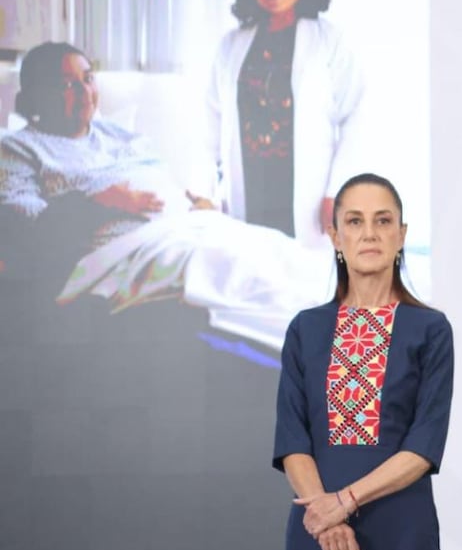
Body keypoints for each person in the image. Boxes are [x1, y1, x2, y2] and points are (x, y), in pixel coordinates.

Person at [0, 41, 331, 342]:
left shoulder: (117, 134)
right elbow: (24, 223)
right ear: (37, 95)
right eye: (67, 85)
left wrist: (192, 201)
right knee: (229, 268)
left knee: (274, 250)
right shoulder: (18, 148)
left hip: (184, 227)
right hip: (126, 251)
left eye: (88, 79)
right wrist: (99, 204)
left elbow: (159, 179)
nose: (85, 93)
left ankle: (351, 330)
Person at [273, 173, 453, 550]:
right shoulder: (305, 329)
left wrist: (346, 501)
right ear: (336, 237)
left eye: (383, 221)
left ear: (401, 235)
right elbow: (293, 441)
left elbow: (423, 446)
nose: (369, 233)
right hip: (317, 529)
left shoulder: (431, 329)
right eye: (355, 221)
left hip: (401, 529)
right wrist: (329, 516)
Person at [204, 0, 364, 252]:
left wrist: (338, 191)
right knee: (250, 275)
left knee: (304, 284)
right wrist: (209, 192)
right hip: (248, 190)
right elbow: (210, 123)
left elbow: (356, 116)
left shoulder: (328, 40)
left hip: (307, 192)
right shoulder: (230, 46)